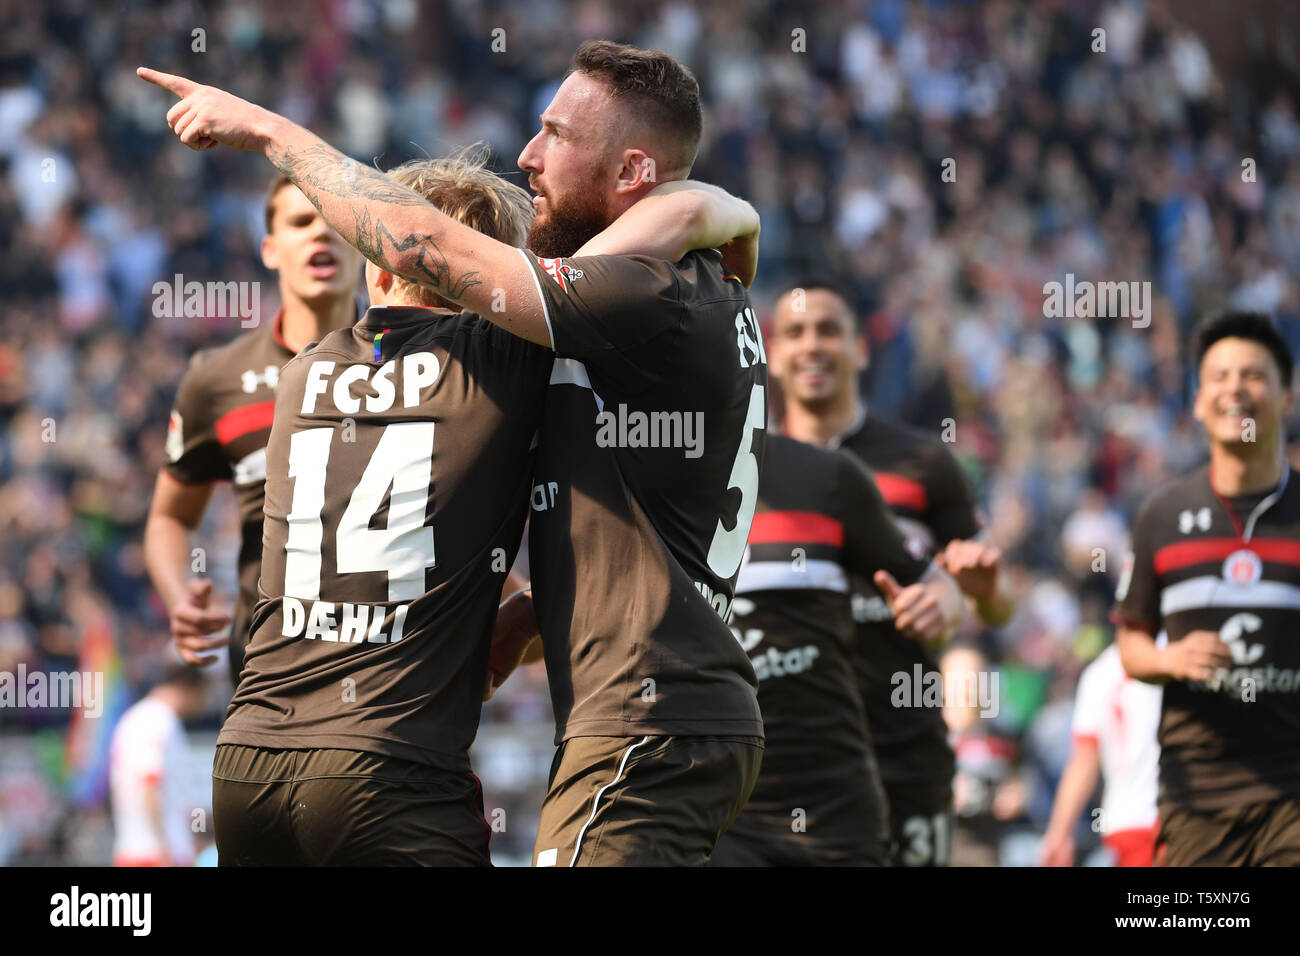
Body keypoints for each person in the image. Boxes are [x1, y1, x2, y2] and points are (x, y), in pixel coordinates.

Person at [139, 38, 769, 867]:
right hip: (464, 755)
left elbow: (420, 248)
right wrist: (724, 213)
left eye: (555, 135)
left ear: (632, 171)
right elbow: (619, 521)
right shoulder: (591, 325)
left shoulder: (298, 374)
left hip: (267, 754)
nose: (528, 154)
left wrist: (263, 129)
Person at [767, 278, 1015, 866]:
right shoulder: (746, 474)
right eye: (795, 333)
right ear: (773, 354)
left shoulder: (924, 461)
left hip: (904, 760)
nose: (812, 345)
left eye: (829, 329)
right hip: (787, 773)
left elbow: (995, 603)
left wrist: (974, 591)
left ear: (861, 349)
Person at [144, 176, 363, 683]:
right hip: (263, 681)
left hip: (388, 681)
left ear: (361, 242)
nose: (321, 235)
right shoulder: (217, 378)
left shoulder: (416, 365)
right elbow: (169, 518)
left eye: (335, 222)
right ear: (270, 249)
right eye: (301, 222)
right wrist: (180, 600)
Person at [709, 434, 964, 866]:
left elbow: (933, 586)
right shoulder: (634, 477)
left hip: (836, 807)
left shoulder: (827, 474)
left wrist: (942, 607)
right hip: (716, 807)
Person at [1115, 311, 1300, 866]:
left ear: (1286, 398)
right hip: (1195, 798)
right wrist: (1174, 660)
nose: (1235, 390)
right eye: (1219, 377)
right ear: (1198, 401)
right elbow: (1131, 646)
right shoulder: (1161, 516)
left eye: (1253, 375)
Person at [1039, 641, 1161, 867]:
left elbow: (1084, 760)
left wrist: (1059, 834)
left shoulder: (1102, 670)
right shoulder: (1183, 654)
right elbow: (1085, 759)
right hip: (1180, 819)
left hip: (1127, 821)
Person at [109, 663, 207, 867]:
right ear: (188, 687)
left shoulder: (141, 717)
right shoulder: (158, 720)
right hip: (154, 855)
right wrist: (165, 848)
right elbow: (150, 784)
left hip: (140, 848)